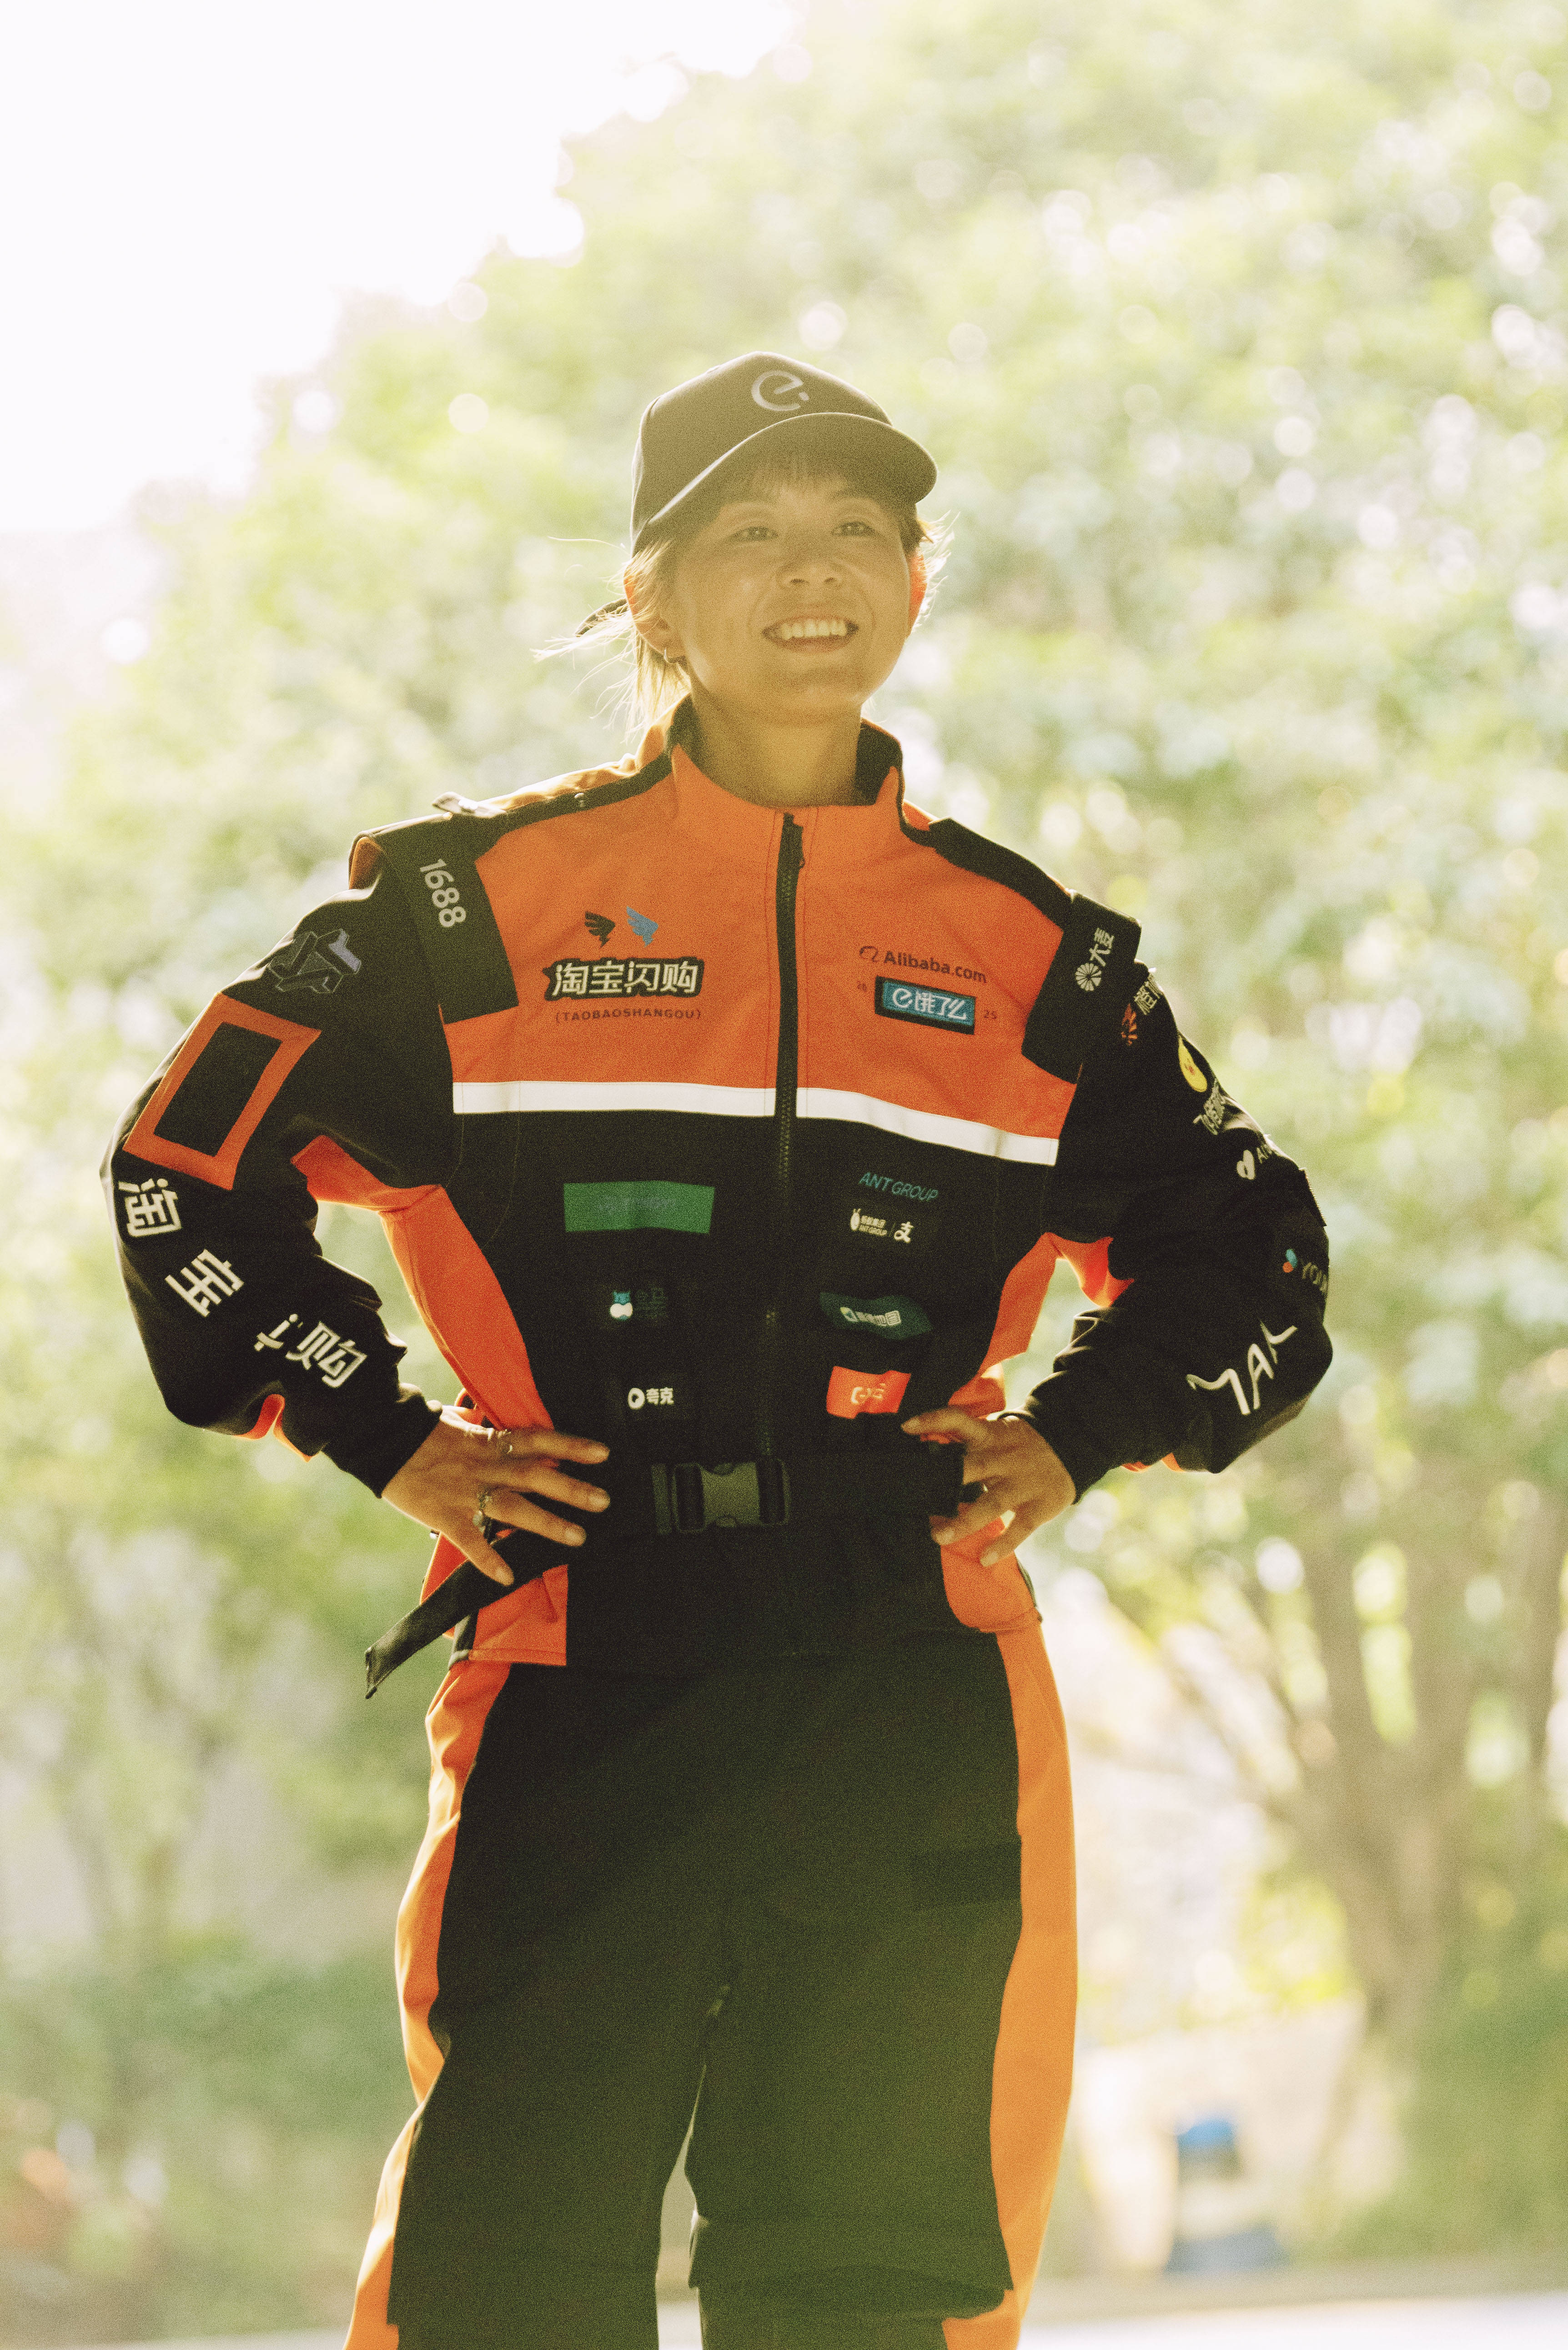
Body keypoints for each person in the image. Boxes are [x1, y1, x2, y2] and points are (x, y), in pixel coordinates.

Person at [106, 351, 1332, 2350]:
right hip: (582, 1640)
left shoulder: (1042, 960)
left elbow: (1257, 1246)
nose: (809, 573)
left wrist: (1084, 1428)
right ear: (651, 598)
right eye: (748, 534)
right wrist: (388, 1433)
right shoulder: (467, 916)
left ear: (917, 581)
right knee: (504, 2274)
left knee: (874, 2277)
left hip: (907, 1660)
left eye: (855, 530)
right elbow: (182, 1162)